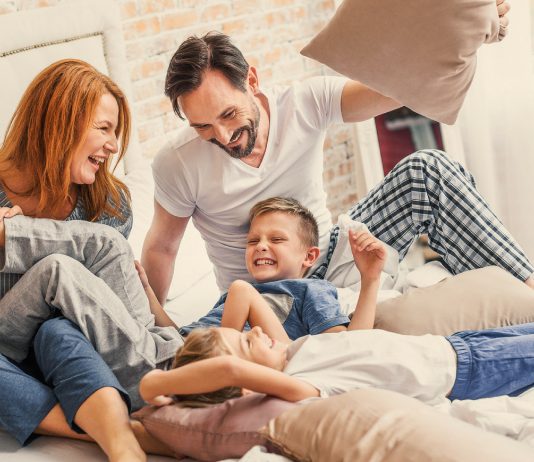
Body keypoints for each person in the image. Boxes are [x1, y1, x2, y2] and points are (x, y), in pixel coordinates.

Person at [142, 25, 534, 309]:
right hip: (263, 297)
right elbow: (162, 247)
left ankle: (526, 293)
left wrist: (466, 33)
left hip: (329, 256)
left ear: (252, 80)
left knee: (428, 172)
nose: (224, 135)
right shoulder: (178, 162)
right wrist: (153, 323)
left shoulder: (303, 104)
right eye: (203, 126)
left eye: (229, 114)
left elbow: (396, 89)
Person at [139, 230, 534, 411]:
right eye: (245, 342)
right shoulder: (302, 387)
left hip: (453, 344)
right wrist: (159, 382)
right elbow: (228, 367)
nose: (254, 330)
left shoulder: (296, 352)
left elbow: (242, 294)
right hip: (463, 370)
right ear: (242, 385)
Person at [0, 59, 157, 462]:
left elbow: (115, 311)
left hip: (73, 351)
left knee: (56, 331)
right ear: (60, 123)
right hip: (6, 352)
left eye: (117, 132)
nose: (114, 145)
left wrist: (169, 325)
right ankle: (109, 428)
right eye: (104, 128)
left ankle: (122, 442)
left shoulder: (109, 205)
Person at [180, 196, 385, 340]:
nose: (260, 246)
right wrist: (148, 292)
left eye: (276, 239)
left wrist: (370, 280)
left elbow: (344, 345)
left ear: (309, 256)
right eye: (252, 241)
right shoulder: (231, 297)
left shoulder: (311, 290)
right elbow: (182, 333)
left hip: (206, 357)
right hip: (177, 344)